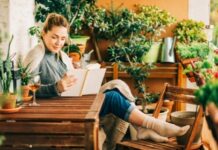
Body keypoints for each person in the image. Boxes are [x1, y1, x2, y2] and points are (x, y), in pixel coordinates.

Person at [24, 13, 190, 149]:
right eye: (54, 37)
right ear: (43, 32)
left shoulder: (60, 56)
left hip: (72, 103)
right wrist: (56, 87)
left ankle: (143, 127)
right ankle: (152, 125)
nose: (59, 43)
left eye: (62, 38)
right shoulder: (36, 55)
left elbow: (69, 79)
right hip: (61, 110)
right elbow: (25, 92)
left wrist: (78, 73)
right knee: (112, 97)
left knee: (115, 89)